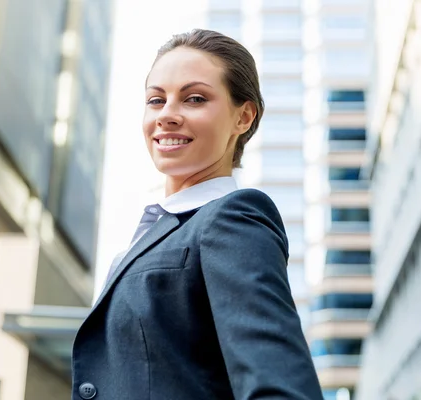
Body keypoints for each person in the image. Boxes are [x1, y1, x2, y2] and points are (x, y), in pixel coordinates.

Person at [72, 29, 324, 400]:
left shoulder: (233, 219)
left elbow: (280, 387)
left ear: (244, 117)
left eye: (194, 98)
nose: (167, 115)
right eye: (156, 100)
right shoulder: (155, 232)